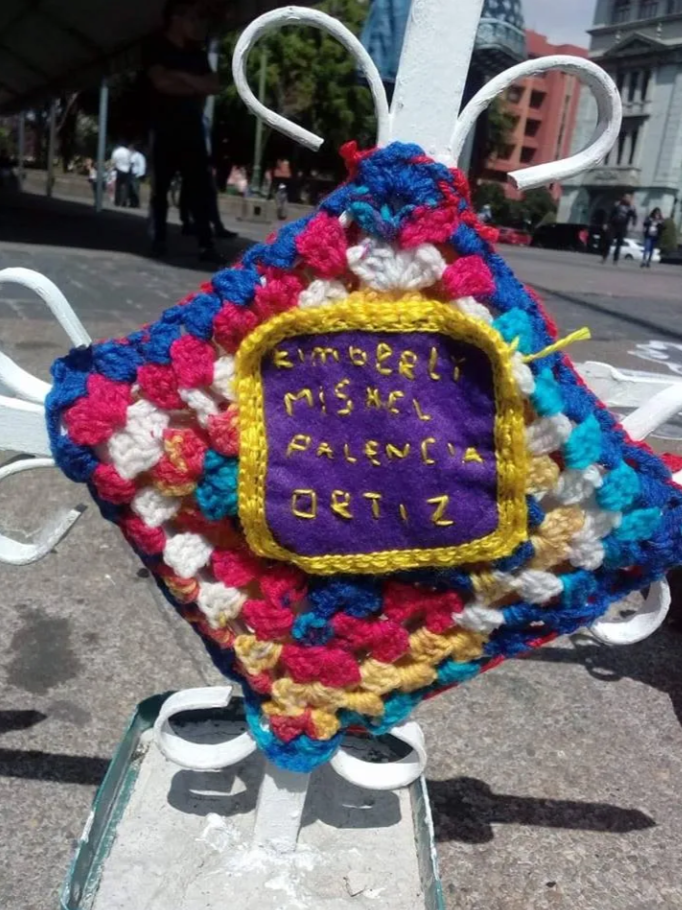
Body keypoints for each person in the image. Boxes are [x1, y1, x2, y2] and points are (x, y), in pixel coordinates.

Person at [144, 0, 223, 263]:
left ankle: (206, 244)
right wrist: (194, 85)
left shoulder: (196, 52)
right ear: (176, 19)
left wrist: (179, 76)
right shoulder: (156, 47)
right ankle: (158, 240)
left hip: (192, 128)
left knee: (199, 186)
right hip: (163, 127)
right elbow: (160, 83)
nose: (197, 24)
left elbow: (213, 85)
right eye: (192, 18)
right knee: (160, 188)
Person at [603, 194, 637, 264]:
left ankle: (615, 259)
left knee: (619, 243)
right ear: (623, 198)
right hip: (613, 225)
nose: (627, 199)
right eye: (626, 197)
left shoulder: (631, 207)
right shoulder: (617, 205)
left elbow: (634, 216)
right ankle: (605, 257)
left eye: (628, 198)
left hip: (622, 226)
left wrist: (633, 224)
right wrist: (606, 223)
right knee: (609, 240)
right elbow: (610, 213)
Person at [111, 141, 132, 207]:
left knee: (118, 187)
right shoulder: (127, 151)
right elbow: (130, 160)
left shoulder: (116, 151)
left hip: (118, 170)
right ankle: (124, 202)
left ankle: (117, 201)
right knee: (126, 187)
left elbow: (113, 161)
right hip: (127, 170)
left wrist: (114, 168)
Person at [129, 144, 147, 209]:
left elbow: (142, 165)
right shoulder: (130, 155)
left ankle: (137, 203)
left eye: (130, 149)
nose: (129, 150)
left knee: (135, 189)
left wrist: (140, 174)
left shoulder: (139, 156)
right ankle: (132, 203)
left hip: (135, 174)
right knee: (130, 189)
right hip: (130, 174)